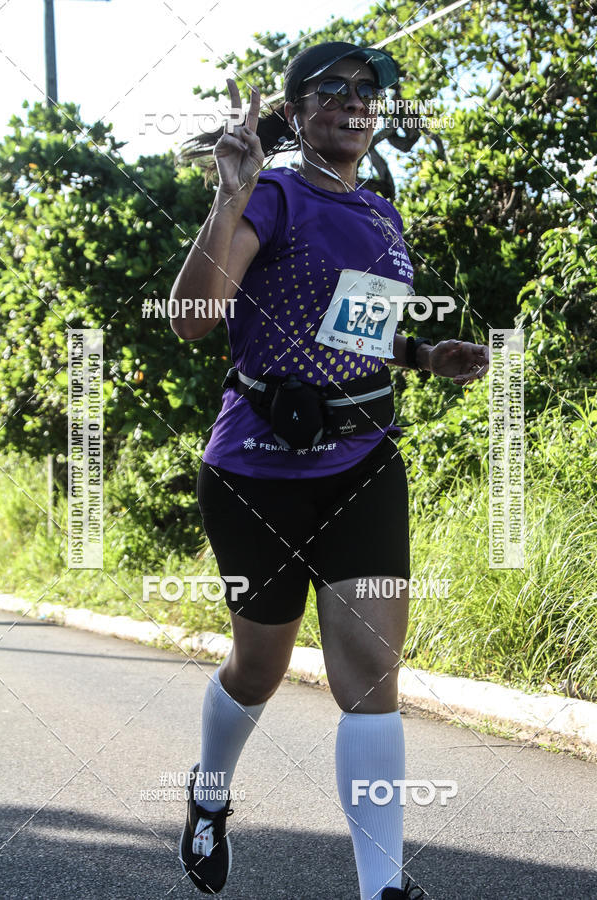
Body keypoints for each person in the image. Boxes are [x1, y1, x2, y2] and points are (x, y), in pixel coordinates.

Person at [170, 41, 489, 899]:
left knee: (372, 677)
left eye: (368, 91)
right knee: (259, 668)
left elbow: (355, 332)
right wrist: (230, 192)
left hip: (360, 463)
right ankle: (208, 794)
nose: (355, 101)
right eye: (332, 89)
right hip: (256, 473)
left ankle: (381, 887)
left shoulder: (381, 213)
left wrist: (423, 353)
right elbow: (194, 318)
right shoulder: (271, 192)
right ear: (298, 110)